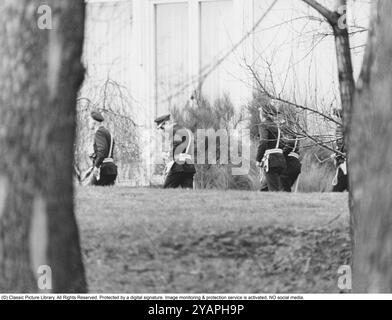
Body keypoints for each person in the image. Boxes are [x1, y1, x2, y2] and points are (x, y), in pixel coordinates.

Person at [155, 114, 196, 189]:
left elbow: (177, 148)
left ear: (166, 123)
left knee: (166, 192)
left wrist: (169, 159)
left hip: (179, 167)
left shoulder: (175, 131)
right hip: (189, 166)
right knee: (188, 195)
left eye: (162, 128)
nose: (163, 131)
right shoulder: (185, 130)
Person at [256, 105, 286, 192]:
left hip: (271, 162)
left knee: (274, 191)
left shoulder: (263, 125)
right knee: (264, 189)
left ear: (263, 114)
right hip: (280, 160)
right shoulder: (278, 127)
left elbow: (263, 142)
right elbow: (284, 143)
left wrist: (258, 159)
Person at [87, 110, 118, 186]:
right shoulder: (107, 132)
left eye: (89, 120)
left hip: (103, 170)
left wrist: (96, 166)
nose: (88, 123)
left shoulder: (99, 132)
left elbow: (102, 151)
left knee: (89, 192)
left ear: (94, 122)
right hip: (111, 169)